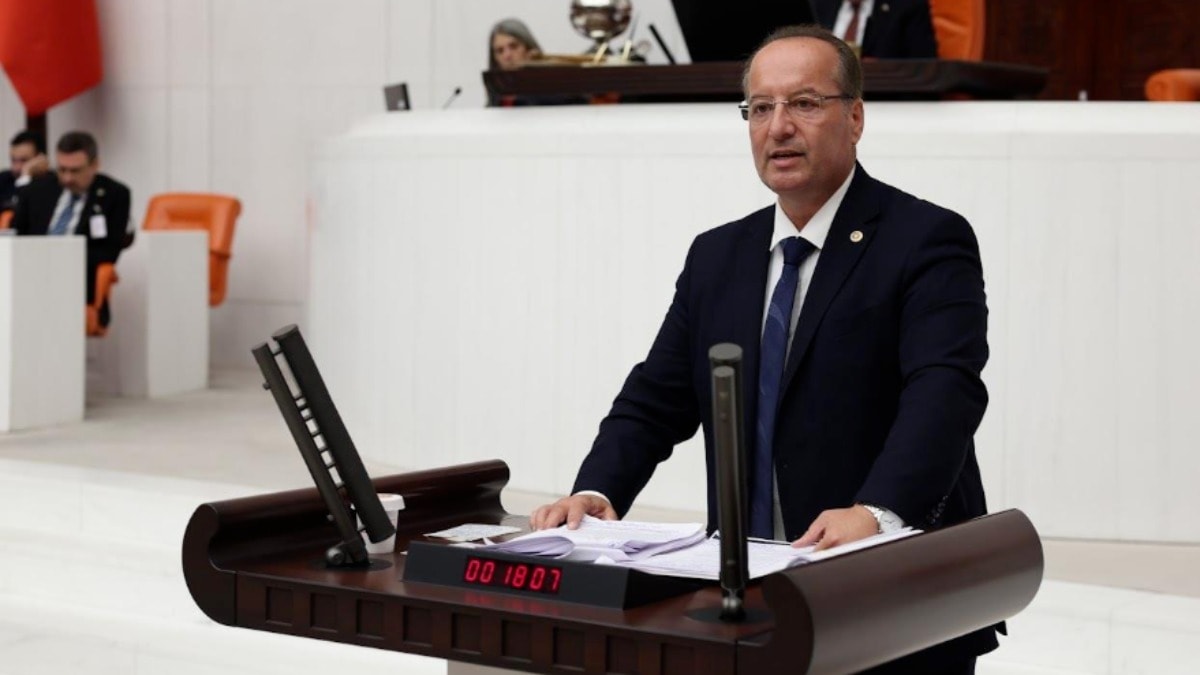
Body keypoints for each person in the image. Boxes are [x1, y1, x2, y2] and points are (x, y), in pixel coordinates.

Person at [531, 25, 994, 674]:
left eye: (804, 103)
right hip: (748, 595)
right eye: (760, 108)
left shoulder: (925, 239)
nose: (779, 127)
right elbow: (655, 398)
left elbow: (944, 393)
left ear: (855, 118)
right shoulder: (718, 255)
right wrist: (598, 489)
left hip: (891, 593)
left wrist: (877, 512)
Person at [11, 131, 132, 327]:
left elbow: (109, 251)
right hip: (30, 276)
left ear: (95, 165)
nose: (67, 178)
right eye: (62, 169)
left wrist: (60, 257)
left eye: (75, 171)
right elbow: (15, 236)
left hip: (77, 280)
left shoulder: (115, 195)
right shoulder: (37, 189)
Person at [814, 0, 938, 59]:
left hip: (883, 96)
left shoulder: (909, 7)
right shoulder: (816, 5)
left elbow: (924, 67)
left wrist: (881, 69)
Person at [0, 130, 49, 211]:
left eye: (24, 160)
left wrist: (25, 177)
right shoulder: (4, 179)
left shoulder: (51, 183)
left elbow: (23, 212)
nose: (16, 168)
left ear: (40, 159)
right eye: (13, 160)